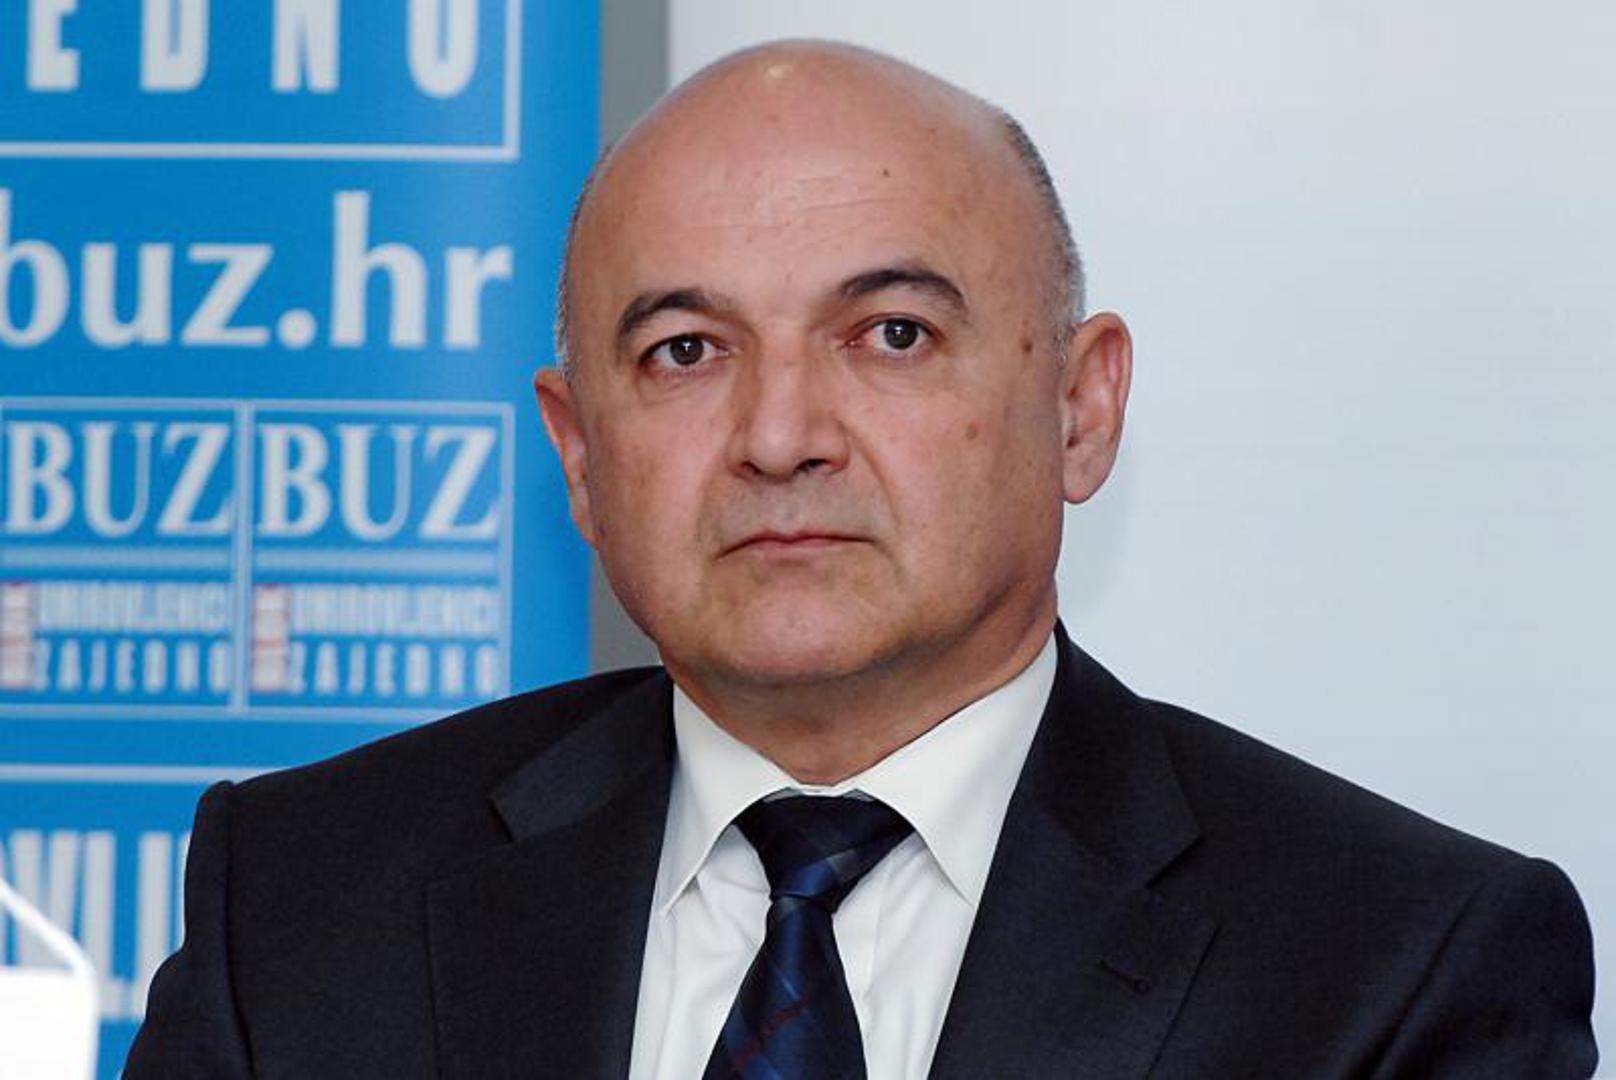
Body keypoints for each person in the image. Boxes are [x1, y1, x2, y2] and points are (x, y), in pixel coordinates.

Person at [126, 40, 1597, 1079]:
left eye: (892, 334)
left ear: (1081, 409)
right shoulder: (302, 904)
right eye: (686, 350)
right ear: (578, 456)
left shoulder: (1398, 966)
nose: (780, 436)